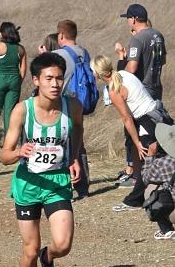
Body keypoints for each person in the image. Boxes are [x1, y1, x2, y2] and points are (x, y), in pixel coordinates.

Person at [0, 52, 84, 267]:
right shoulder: (22, 110)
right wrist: (18, 152)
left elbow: (78, 129)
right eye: (49, 78)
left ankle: (49, 259)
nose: (55, 84)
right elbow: (4, 155)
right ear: (36, 80)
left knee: (64, 244)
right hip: (28, 184)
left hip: (57, 181)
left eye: (59, 78)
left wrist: (73, 157)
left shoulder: (73, 107)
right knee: (30, 249)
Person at [90, 55, 173, 211]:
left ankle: (135, 200)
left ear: (97, 73)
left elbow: (127, 118)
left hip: (148, 122)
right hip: (160, 114)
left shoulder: (114, 90)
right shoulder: (124, 74)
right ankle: (141, 196)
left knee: (147, 162)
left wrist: (137, 142)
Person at [52, 19, 93, 199]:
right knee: (78, 144)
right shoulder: (84, 53)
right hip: (80, 103)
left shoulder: (58, 54)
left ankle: (63, 184)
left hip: (63, 104)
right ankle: (83, 187)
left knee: (59, 143)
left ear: (61, 35)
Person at [0, 22, 26, 148]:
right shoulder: (20, 49)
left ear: (3, 33)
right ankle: (9, 141)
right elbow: (23, 70)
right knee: (10, 112)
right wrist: (18, 82)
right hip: (14, 80)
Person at [120, 4, 166, 101]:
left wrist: (120, 76)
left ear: (133, 19)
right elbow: (163, 61)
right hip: (156, 88)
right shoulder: (158, 35)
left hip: (142, 90)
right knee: (157, 115)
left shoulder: (137, 39)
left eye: (128, 18)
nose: (127, 21)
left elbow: (132, 68)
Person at [142, 123, 175, 240]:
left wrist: (150, 156)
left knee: (150, 189)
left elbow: (145, 178)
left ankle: (166, 229)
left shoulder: (162, 162)